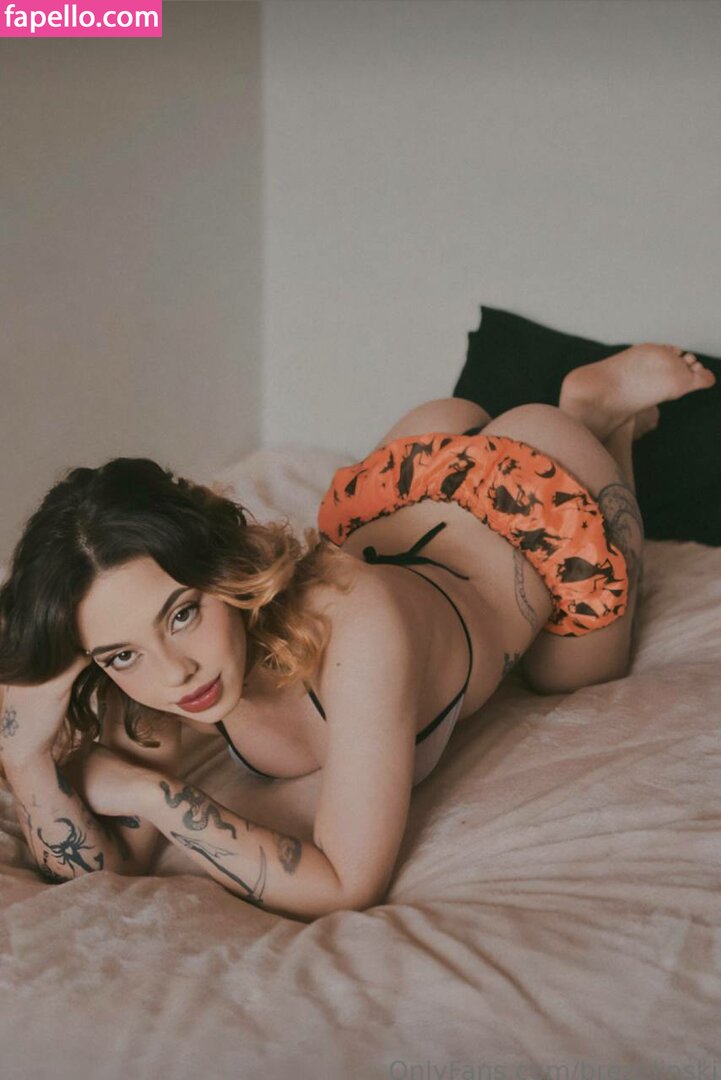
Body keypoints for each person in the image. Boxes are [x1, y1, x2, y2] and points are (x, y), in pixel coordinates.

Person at [0, 344, 715, 921]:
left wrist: (154, 796)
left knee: (572, 674)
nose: (173, 672)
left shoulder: (358, 627)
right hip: (402, 494)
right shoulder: (148, 677)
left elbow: (345, 885)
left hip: (533, 497)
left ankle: (592, 415)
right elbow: (101, 870)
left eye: (182, 613)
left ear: (223, 566)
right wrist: (25, 756)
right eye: (121, 654)